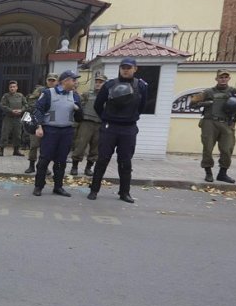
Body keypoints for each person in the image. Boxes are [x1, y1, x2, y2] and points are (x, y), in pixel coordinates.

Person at [87, 57, 149, 203]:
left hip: (128, 128)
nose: (125, 70)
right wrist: (106, 118)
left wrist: (131, 117)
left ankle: (124, 192)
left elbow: (142, 106)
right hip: (110, 127)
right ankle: (94, 190)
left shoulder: (141, 86)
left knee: (125, 162)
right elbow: (98, 104)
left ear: (135, 69)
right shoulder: (109, 85)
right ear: (120, 68)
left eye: (128, 68)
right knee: (102, 160)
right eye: (123, 67)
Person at [31, 70, 82, 197]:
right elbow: (38, 110)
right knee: (44, 160)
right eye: (73, 80)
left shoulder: (75, 96)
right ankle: (39, 186)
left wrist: (78, 109)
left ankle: (58, 187)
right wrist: (39, 126)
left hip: (67, 131)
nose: (75, 82)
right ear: (65, 81)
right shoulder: (48, 93)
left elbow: (80, 118)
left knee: (61, 161)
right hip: (50, 130)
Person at [190, 69, 236, 183]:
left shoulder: (235, 92)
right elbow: (192, 103)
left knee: (227, 149)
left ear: (229, 79)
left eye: (226, 77)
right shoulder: (208, 92)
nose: (223, 79)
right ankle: (208, 172)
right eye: (221, 77)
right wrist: (206, 103)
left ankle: (223, 173)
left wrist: (234, 107)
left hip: (227, 123)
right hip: (210, 123)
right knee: (208, 148)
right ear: (216, 79)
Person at [70, 73, 106, 176]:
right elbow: (79, 107)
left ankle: (89, 168)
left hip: (99, 124)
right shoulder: (87, 94)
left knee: (95, 147)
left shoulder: (107, 96)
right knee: (80, 145)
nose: (98, 84)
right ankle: (74, 167)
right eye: (97, 82)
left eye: (101, 82)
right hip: (86, 122)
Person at [24, 73, 57, 174]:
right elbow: (31, 103)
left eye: (53, 80)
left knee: (47, 146)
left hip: (51, 121)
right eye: (49, 80)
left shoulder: (59, 92)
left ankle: (44, 166)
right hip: (38, 120)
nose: (51, 82)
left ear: (57, 81)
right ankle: (31, 165)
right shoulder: (40, 90)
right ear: (46, 80)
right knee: (34, 144)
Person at [0, 80, 25, 157]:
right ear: (9, 88)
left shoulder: (20, 96)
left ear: (17, 87)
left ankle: (16, 151)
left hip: (18, 118)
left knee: (18, 135)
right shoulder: (6, 96)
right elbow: (2, 105)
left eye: (14, 87)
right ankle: (1, 150)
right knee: (5, 134)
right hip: (8, 118)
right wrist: (11, 111)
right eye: (11, 87)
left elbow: (26, 105)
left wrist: (21, 110)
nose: (12, 88)